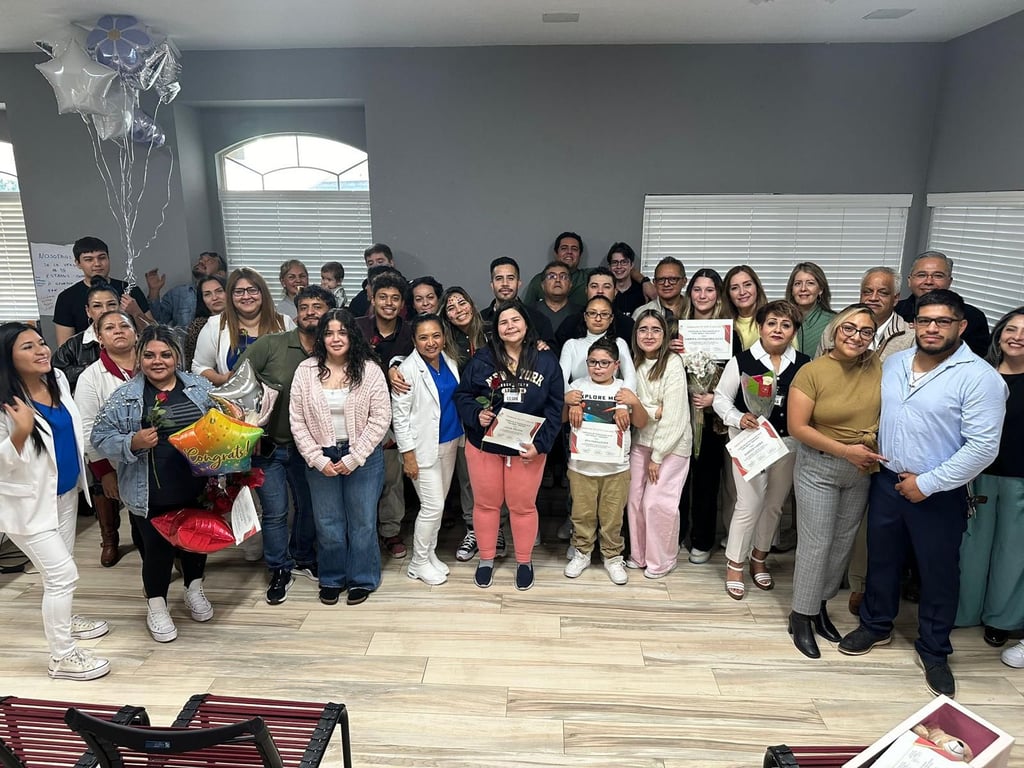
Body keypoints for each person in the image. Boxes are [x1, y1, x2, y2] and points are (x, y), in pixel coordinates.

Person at [839, 290, 1007, 699]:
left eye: (942, 322)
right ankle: (876, 625)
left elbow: (983, 447)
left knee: (938, 572)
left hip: (939, 490)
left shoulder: (981, 378)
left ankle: (934, 650)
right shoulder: (894, 363)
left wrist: (927, 483)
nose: (932, 328)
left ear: (961, 326)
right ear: (913, 323)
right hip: (887, 480)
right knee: (882, 558)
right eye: (925, 320)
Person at [91, 325, 216, 644]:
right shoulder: (125, 396)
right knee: (157, 553)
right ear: (139, 356)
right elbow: (99, 438)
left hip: (195, 485)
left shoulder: (198, 387)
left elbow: (217, 423)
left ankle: (194, 590)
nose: (157, 361)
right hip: (149, 493)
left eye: (165, 355)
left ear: (177, 357)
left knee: (194, 544)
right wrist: (131, 442)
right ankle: (157, 606)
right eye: (149, 355)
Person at [0, 322, 110, 680]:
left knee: (60, 572)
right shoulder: (5, 405)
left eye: (41, 343)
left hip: (63, 494)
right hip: (27, 507)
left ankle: (64, 621)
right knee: (62, 574)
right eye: (28, 347)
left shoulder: (57, 380)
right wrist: (19, 432)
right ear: (8, 359)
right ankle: (62, 656)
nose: (41, 351)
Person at [786, 304, 883, 659]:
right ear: (834, 330)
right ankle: (800, 615)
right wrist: (846, 452)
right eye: (849, 328)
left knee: (842, 544)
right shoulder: (812, 372)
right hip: (821, 465)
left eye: (865, 331)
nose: (856, 337)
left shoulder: (876, 365)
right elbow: (798, 428)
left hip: (860, 470)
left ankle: (820, 606)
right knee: (817, 543)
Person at [820, 267, 914, 615]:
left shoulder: (910, 336)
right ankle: (828, 582)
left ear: (896, 298)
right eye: (868, 290)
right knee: (830, 525)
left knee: (864, 523)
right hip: (834, 441)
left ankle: (857, 583)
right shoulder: (840, 326)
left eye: (883, 292)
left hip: (881, 443)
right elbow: (821, 372)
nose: (874, 297)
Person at [454, 299, 564, 591]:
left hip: (527, 449)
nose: (510, 326)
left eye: (515, 320)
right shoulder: (482, 360)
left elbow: (556, 407)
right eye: (503, 322)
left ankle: (524, 561)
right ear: (496, 329)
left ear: (527, 325)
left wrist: (540, 445)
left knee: (523, 507)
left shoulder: (546, 359)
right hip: (484, 446)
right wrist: (477, 413)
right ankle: (487, 559)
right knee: (486, 505)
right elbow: (463, 396)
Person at [237, 286, 336, 604]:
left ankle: (304, 557)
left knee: (310, 508)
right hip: (270, 448)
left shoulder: (335, 349)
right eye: (303, 306)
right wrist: (245, 426)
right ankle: (279, 568)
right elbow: (237, 385)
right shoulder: (271, 344)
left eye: (317, 306)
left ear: (330, 312)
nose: (309, 311)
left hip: (313, 449)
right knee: (277, 512)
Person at [290, 308, 391, 606]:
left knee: (362, 522)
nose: (336, 338)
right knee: (327, 522)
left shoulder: (369, 369)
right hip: (320, 457)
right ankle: (332, 578)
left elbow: (381, 417)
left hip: (363, 456)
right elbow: (297, 420)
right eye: (329, 332)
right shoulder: (306, 370)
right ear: (321, 337)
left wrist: (355, 456)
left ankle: (362, 578)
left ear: (352, 335)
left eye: (342, 332)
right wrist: (317, 458)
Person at [714, 300, 809, 599]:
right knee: (749, 503)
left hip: (787, 444)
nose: (778, 330)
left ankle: (759, 558)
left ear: (794, 331)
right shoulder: (742, 361)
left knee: (774, 506)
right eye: (772, 323)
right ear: (760, 326)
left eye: (785, 325)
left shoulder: (805, 364)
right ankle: (734, 564)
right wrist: (737, 417)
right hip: (749, 444)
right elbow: (720, 399)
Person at [955, 307, 1024, 648]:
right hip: (977, 472)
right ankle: (963, 611)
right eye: (1011, 329)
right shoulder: (979, 373)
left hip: (1019, 478)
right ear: (999, 334)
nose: (1017, 337)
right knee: (972, 546)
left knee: (1013, 552)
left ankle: (1001, 619)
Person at [564, 338, 646, 585]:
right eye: (592, 362)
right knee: (582, 514)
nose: (598, 367)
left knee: (612, 516)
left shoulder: (624, 390)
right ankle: (582, 553)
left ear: (616, 364)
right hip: (581, 467)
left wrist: (633, 403)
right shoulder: (576, 386)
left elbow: (641, 423)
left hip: (616, 467)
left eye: (604, 363)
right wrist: (569, 405)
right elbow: (560, 420)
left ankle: (612, 557)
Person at [392, 313, 464, 585]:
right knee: (432, 507)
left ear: (444, 337)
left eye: (436, 335)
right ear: (414, 340)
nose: (431, 342)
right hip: (421, 450)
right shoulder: (406, 370)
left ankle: (429, 554)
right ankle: (418, 562)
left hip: (449, 442)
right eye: (423, 337)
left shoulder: (449, 360)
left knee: (438, 504)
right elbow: (399, 417)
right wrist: (407, 455)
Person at [437, 286, 507, 562]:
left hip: (502, 413)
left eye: (461, 302)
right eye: (451, 307)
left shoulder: (494, 329)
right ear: (446, 315)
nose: (458, 309)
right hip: (467, 415)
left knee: (497, 475)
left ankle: (497, 529)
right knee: (470, 477)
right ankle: (473, 529)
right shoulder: (446, 342)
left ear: (471, 303)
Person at [626, 310, 692, 579]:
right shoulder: (633, 364)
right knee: (633, 500)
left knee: (656, 503)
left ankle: (663, 560)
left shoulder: (673, 363)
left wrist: (658, 455)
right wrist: (653, 410)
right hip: (640, 441)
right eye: (643, 329)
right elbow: (630, 406)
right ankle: (639, 554)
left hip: (670, 445)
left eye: (656, 329)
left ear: (665, 335)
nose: (649, 335)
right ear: (636, 334)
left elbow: (675, 414)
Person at [73, 310, 138, 567]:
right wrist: (103, 471)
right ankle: (110, 539)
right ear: (100, 338)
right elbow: (87, 428)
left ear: (135, 332)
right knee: (114, 497)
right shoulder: (91, 377)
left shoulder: (153, 362)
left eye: (124, 325)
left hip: (153, 454)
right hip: (113, 460)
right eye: (110, 328)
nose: (118, 330)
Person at [356, 272, 413, 558]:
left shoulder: (410, 332)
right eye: (382, 297)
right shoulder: (355, 328)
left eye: (395, 298)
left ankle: (390, 531)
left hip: (397, 417)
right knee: (360, 481)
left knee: (391, 479)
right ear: (371, 297)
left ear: (402, 303)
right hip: (357, 418)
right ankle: (362, 536)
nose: (388, 304)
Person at [678, 268, 731, 564]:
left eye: (709, 290)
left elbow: (738, 375)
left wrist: (715, 398)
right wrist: (670, 351)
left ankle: (702, 539)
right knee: (678, 480)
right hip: (681, 414)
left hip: (712, 419)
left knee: (707, 482)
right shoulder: (677, 329)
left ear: (718, 294)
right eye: (697, 289)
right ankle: (676, 534)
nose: (702, 296)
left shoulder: (729, 331)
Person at [192, 267, 293, 386]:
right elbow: (199, 367)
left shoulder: (284, 322)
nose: (246, 296)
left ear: (263, 293)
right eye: (239, 292)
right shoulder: (215, 325)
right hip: (234, 401)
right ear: (231, 296)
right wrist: (224, 379)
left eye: (252, 290)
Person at [53, 236, 152, 346]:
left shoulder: (130, 290)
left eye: (102, 258)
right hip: (88, 360)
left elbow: (153, 335)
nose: (97, 264)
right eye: (89, 259)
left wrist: (136, 312)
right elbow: (64, 347)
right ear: (78, 263)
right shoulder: (66, 298)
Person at [894, 251, 990, 356]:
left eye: (938, 276)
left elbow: (975, 360)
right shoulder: (894, 311)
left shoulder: (973, 317)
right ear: (909, 281)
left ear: (949, 281)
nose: (929, 281)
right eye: (921, 275)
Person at [560, 295, 637, 395]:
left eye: (604, 314)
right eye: (592, 313)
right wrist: (572, 398)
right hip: (577, 403)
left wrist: (621, 402)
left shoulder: (619, 343)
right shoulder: (571, 345)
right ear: (585, 316)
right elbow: (561, 379)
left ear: (611, 318)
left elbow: (630, 377)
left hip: (612, 400)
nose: (598, 318)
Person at [53, 281, 120, 392]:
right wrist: (90, 369)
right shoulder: (73, 346)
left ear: (120, 307)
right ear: (88, 311)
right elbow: (54, 378)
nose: (105, 310)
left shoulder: (135, 340)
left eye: (111, 304)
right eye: (97, 306)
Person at [555, 267, 635, 352]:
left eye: (606, 287)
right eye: (594, 286)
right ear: (586, 290)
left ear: (615, 292)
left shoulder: (628, 325)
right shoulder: (570, 323)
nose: (600, 291)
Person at [481, 257, 555, 345]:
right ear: (492, 285)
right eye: (499, 278)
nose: (505, 283)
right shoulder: (480, 319)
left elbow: (551, 353)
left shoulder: (538, 319)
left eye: (510, 278)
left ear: (519, 283)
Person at [145, 251, 227, 328]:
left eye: (209, 260)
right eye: (200, 260)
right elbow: (158, 321)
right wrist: (154, 291)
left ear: (220, 274)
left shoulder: (227, 295)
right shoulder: (178, 293)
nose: (201, 261)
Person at [524, 231, 588, 306]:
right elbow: (526, 312)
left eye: (574, 249)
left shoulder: (588, 279)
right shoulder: (539, 280)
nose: (569, 252)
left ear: (580, 255)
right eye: (564, 248)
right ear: (556, 253)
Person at [786, 262, 836, 355]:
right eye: (798, 284)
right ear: (792, 290)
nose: (803, 288)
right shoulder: (782, 320)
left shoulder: (833, 321)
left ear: (820, 289)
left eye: (810, 283)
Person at [184, 275, 228, 370]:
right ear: (202, 300)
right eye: (207, 294)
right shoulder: (198, 326)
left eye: (219, 291)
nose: (215, 297)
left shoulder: (243, 320)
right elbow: (190, 364)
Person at [723, 265, 769, 351]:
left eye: (747, 285)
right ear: (728, 294)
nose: (742, 292)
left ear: (757, 288)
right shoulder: (724, 327)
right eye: (734, 288)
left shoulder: (774, 321)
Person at [533, 260, 579, 342]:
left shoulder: (581, 313)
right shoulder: (530, 312)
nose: (558, 280)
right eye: (552, 276)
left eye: (563, 277)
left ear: (570, 284)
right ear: (543, 285)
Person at [633, 257, 687, 323]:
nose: (666, 284)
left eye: (673, 279)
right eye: (661, 280)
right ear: (654, 283)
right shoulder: (640, 313)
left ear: (684, 282)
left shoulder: (695, 310)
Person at [607, 242, 655, 317]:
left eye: (624, 262)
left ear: (631, 265)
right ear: (609, 267)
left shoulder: (642, 292)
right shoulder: (605, 291)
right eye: (615, 262)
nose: (619, 266)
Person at [348, 244, 395, 318]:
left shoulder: (407, 292)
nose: (375, 266)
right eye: (371, 263)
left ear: (391, 263)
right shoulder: (360, 299)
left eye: (380, 262)